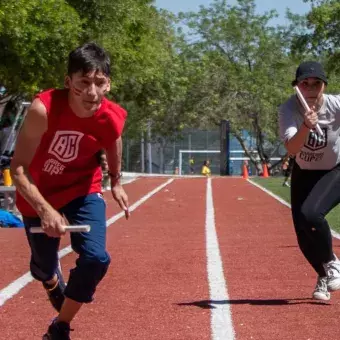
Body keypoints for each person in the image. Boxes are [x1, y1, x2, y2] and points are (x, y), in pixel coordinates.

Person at [10, 42, 130, 339]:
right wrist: (45, 210)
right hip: (39, 192)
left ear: (108, 83)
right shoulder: (44, 109)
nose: (92, 92)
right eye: (83, 83)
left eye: (99, 83)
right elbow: (18, 169)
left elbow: (114, 140)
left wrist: (115, 180)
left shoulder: (112, 116)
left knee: (96, 258)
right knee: (44, 265)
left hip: (82, 187)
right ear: (69, 82)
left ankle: (59, 326)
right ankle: (50, 279)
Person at [279, 61, 340, 301]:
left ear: (324, 85)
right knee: (304, 236)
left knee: (312, 214)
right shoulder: (288, 109)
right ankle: (324, 273)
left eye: (317, 83)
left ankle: (331, 262)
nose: (311, 88)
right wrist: (306, 125)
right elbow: (292, 148)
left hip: (334, 169)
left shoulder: (336, 105)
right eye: (306, 83)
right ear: (298, 86)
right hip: (304, 171)